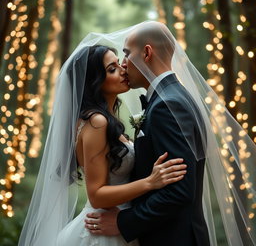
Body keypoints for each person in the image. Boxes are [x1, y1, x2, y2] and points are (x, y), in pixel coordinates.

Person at [85, 21, 256, 246]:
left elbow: (180, 191)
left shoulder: (167, 105)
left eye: (126, 55)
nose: (124, 64)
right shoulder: (173, 97)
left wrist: (123, 222)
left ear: (146, 53)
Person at [18, 44, 187, 246]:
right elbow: (97, 195)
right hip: (102, 231)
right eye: (112, 69)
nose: (123, 70)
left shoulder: (105, 120)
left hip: (119, 224)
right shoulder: (97, 122)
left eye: (119, 64)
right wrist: (150, 182)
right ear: (94, 82)